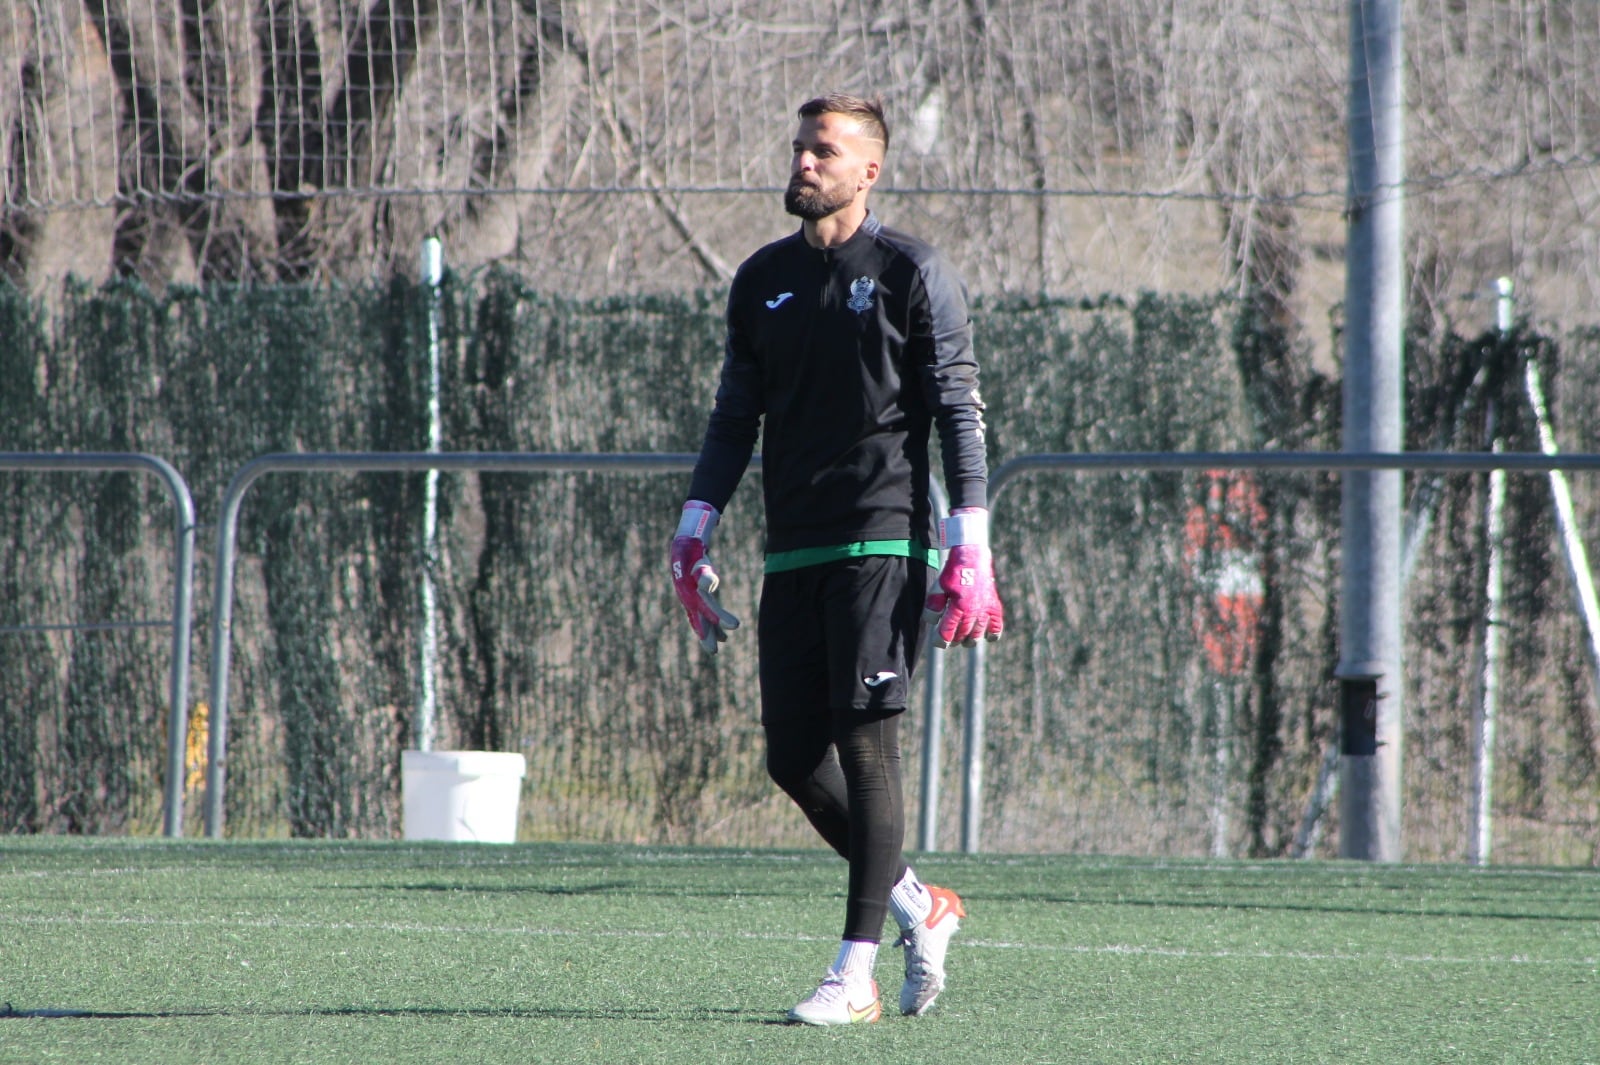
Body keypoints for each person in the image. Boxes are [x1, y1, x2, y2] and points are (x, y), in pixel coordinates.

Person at [669, 93, 1003, 1026]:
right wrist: (696, 522)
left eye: (825, 151)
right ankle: (915, 904)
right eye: (800, 147)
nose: (805, 163)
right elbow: (737, 414)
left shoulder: (912, 273)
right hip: (795, 545)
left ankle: (852, 974)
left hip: (882, 539)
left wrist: (969, 544)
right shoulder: (761, 278)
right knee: (789, 756)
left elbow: (959, 412)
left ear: (869, 170)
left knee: (865, 745)